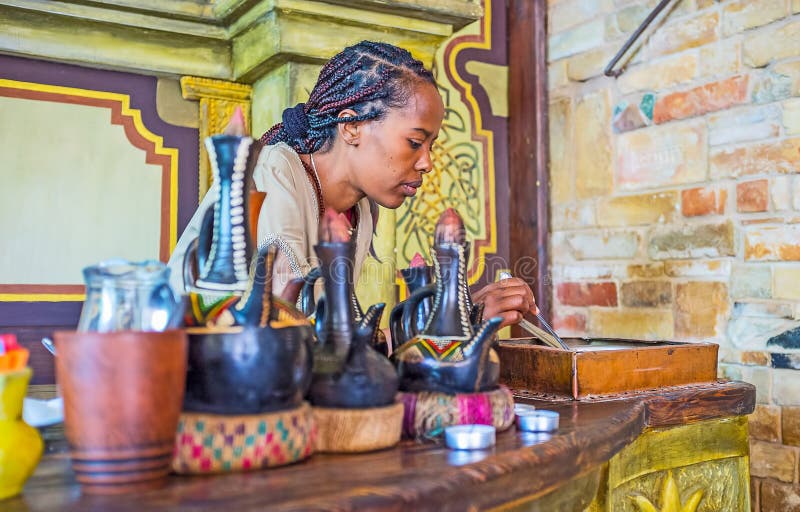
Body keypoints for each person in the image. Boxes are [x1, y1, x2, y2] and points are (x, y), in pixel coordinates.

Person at [173, 40, 537, 330]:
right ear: (350, 126)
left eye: (431, 146)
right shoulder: (273, 179)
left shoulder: (359, 208)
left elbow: (336, 338)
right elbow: (294, 336)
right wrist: (458, 313)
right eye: (414, 142)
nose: (427, 162)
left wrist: (460, 308)